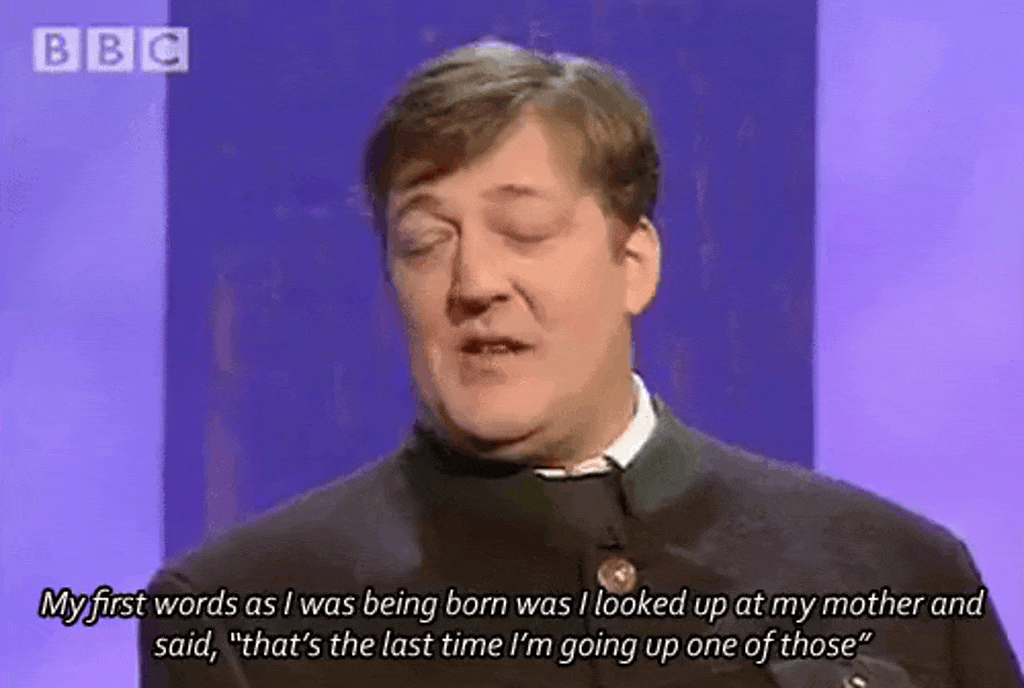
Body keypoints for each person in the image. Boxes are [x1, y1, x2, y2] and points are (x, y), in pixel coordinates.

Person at [140, 40, 1022, 688]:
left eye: (524, 229)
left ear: (634, 262)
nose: (474, 282)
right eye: (423, 241)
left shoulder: (896, 571)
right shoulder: (237, 616)